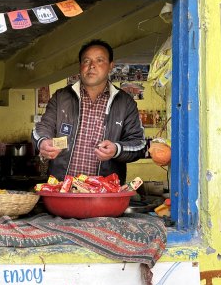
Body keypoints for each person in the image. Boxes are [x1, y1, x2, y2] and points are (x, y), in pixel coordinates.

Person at [32, 39, 146, 184]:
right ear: (80, 66)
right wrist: (43, 142)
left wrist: (116, 149)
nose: (91, 66)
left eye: (99, 60)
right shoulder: (61, 97)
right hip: (62, 190)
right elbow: (43, 127)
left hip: (103, 194)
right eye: (86, 61)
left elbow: (139, 144)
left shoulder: (125, 103)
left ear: (111, 66)